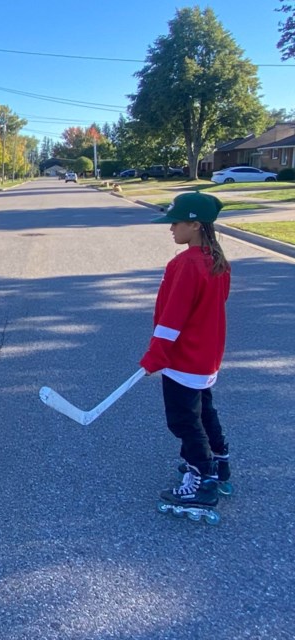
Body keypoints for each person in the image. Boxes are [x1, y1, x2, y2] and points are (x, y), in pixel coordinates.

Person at [140, 192, 232, 514]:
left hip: (184, 359)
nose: (170, 229)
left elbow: (172, 317)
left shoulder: (184, 264)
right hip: (207, 358)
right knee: (204, 411)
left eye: (175, 222)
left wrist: (156, 355)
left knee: (183, 420)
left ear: (194, 225)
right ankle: (220, 463)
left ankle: (202, 479)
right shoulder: (217, 261)